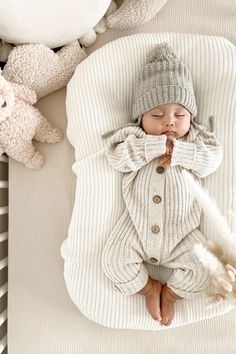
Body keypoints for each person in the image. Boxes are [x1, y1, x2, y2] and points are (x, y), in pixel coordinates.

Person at [102, 42, 223, 326]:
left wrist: (179, 151)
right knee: (113, 261)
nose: (169, 122)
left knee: (207, 268)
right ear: (141, 117)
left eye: (179, 115)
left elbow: (212, 159)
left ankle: (170, 294)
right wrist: (153, 147)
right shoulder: (135, 138)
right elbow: (117, 157)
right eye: (157, 115)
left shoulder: (195, 139)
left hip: (183, 231)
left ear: (190, 117)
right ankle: (148, 288)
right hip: (136, 226)